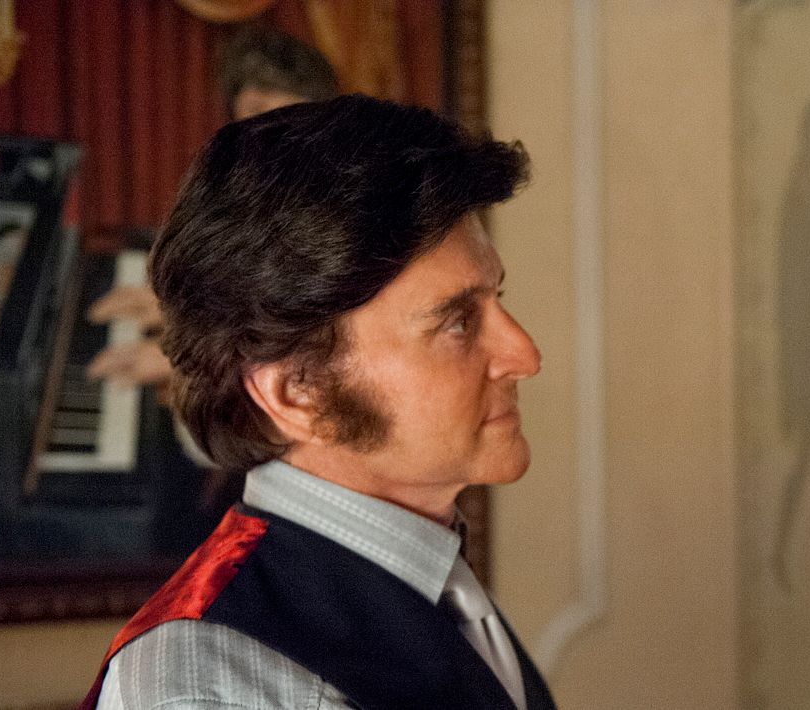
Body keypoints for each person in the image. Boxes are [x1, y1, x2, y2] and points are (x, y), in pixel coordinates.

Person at [80, 95, 555, 710]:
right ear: (296, 392)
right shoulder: (208, 683)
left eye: (497, 299)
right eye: (458, 322)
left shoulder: (439, 581)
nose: (524, 354)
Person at [85, 25, 338, 387]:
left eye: (280, 120)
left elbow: (321, 348)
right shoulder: (258, 197)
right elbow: (254, 310)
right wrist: (174, 311)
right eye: (250, 122)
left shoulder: (338, 213)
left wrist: (182, 362)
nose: (261, 141)